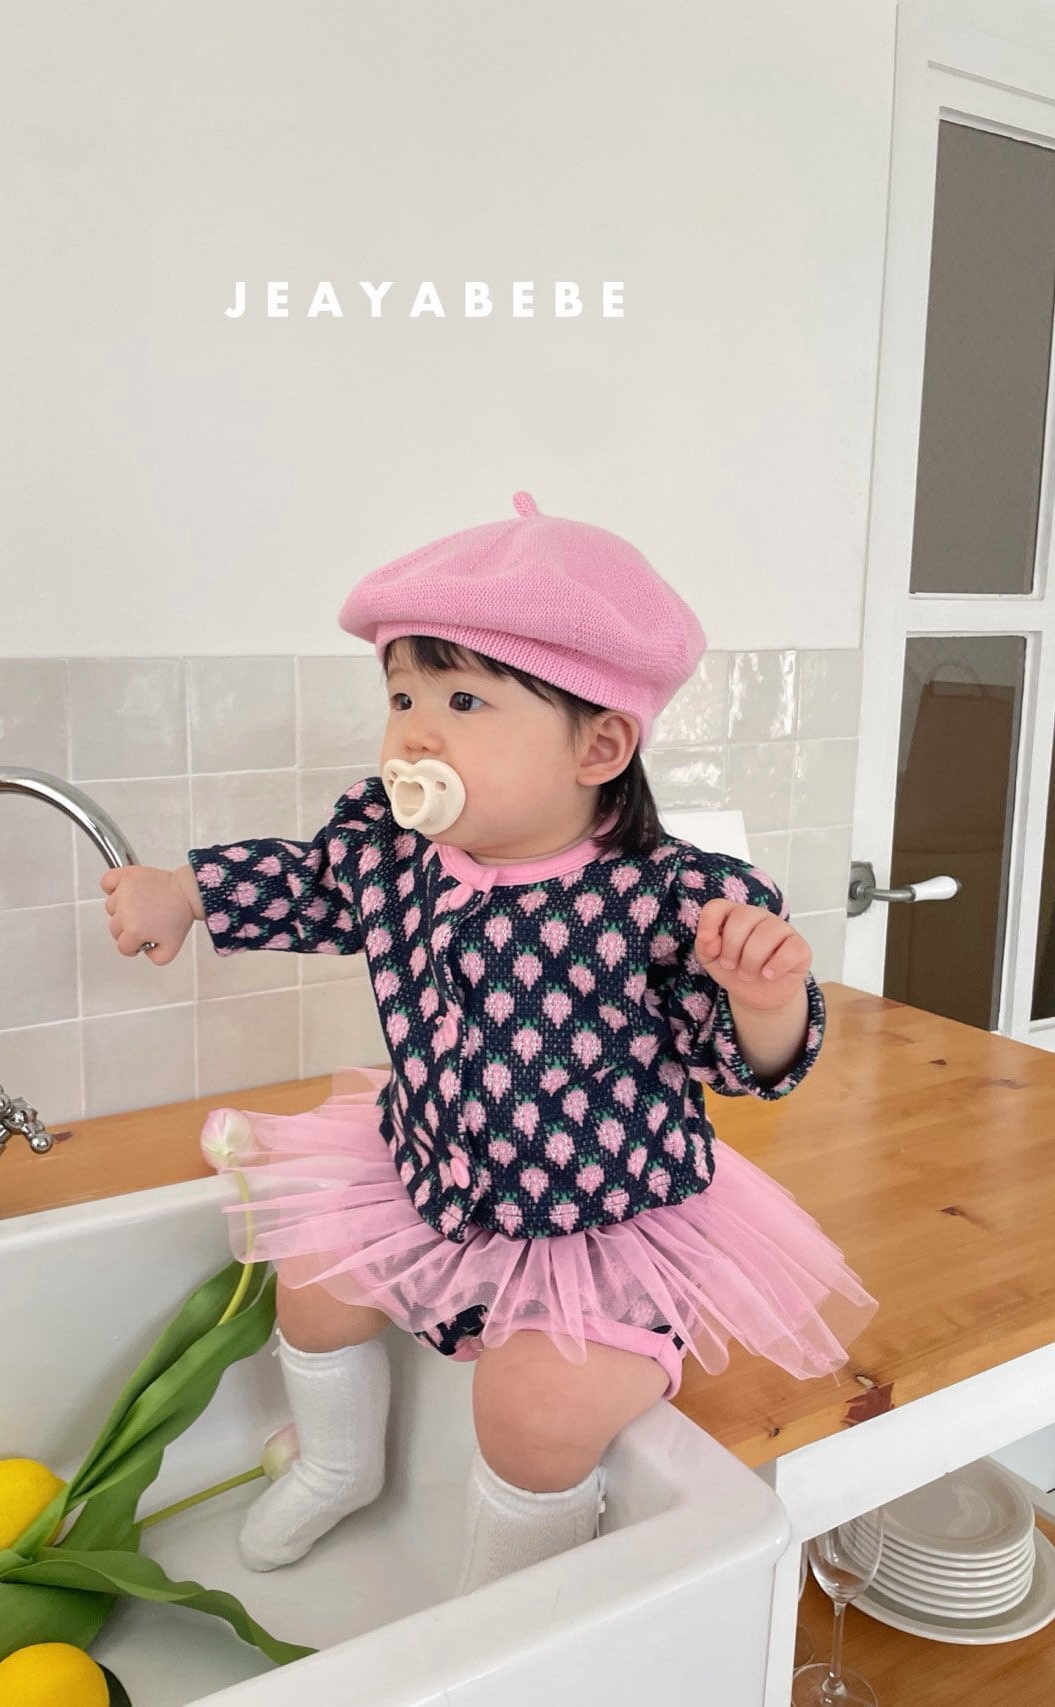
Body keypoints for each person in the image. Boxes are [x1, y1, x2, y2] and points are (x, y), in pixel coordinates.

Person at [101, 491, 878, 1594]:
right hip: (425, 1170)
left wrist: (764, 998)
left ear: (599, 744)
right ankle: (336, 1464)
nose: (415, 733)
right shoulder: (388, 850)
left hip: (600, 1211)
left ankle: (508, 1599)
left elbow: (742, 1062)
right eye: (402, 696)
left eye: (463, 699)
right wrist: (184, 891)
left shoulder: (665, 897)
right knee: (310, 1279)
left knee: (534, 1414)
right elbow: (308, 883)